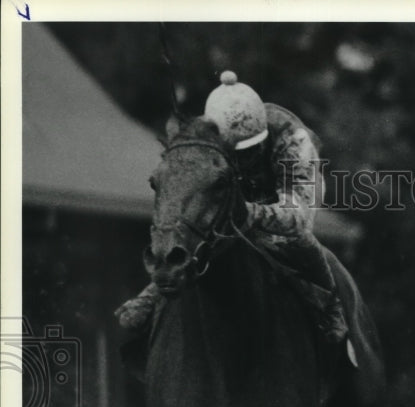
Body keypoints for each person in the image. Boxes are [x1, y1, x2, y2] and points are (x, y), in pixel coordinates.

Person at [116, 71, 347, 344]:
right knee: (205, 232)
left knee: (295, 240)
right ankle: (155, 291)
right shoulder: (208, 132)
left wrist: (249, 212)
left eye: (251, 151)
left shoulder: (294, 142)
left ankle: (331, 306)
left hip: (287, 193)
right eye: (238, 153)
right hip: (233, 192)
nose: (244, 159)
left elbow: (299, 218)